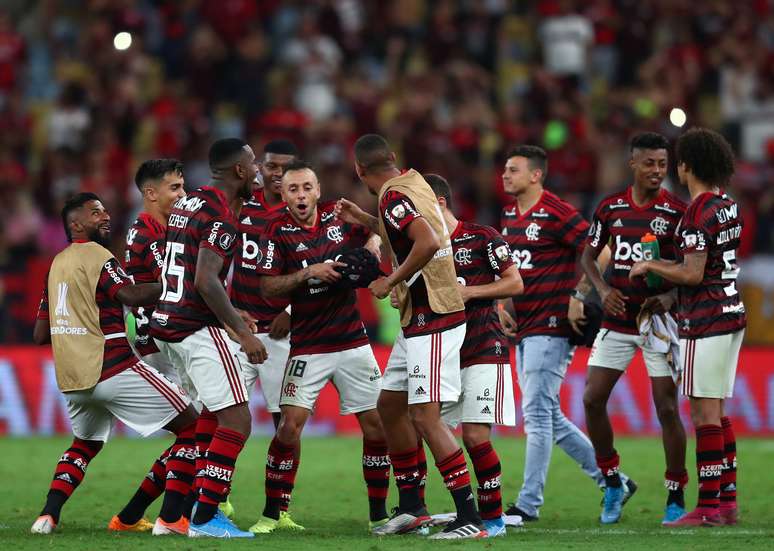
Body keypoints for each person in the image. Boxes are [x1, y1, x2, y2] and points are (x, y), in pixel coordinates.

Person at [337, 134, 486, 539]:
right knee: (390, 406)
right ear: (393, 158)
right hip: (417, 319)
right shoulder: (414, 183)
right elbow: (408, 231)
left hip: (433, 316)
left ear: (359, 170)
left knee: (425, 416)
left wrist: (390, 279)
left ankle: (468, 517)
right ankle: (412, 507)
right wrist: (365, 221)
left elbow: (428, 240)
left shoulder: (391, 196)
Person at [30, 193, 198, 536]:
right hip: (112, 365)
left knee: (85, 444)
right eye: (95, 213)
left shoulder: (56, 265)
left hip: (73, 378)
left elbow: (39, 334)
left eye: (105, 209)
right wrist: (177, 285)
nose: (105, 216)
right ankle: (163, 519)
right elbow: (131, 296)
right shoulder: (99, 257)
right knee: (194, 429)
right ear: (76, 224)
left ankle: (47, 516)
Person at [248, 160, 388, 534]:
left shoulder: (338, 219)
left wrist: (372, 242)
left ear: (318, 189)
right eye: (293, 189)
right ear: (283, 193)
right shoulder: (275, 230)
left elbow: (385, 233)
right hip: (309, 347)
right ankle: (272, 513)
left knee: (376, 428)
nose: (301, 195)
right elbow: (267, 287)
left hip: (353, 342)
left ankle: (379, 515)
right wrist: (309, 272)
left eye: (307, 187)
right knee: (288, 428)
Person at [498, 145, 634, 522]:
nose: (505, 175)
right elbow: (517, 270)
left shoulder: (556, 212)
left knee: (538, 417)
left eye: (513, 170)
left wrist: (580, 294)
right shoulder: (510, 214)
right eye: (505, 170)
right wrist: (502, 305)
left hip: (553, 326)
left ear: (536, 175)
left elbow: (601, 250)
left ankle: (528, 504)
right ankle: (614, 481)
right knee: (549, 415)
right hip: (526, 327)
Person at [151, 138, 268, 538]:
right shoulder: (222, 213)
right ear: (238, 170)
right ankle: (205, 517)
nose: (257, 172)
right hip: (193, 327)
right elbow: (204, 279)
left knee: (209, 415)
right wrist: (240, 332)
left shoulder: (192, 200)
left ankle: (174, 516)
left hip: (166, 323)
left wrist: (236, 313)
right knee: (237, 418)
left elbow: (185, 266)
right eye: (253, 165)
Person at [631, 127, 745, 527]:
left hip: (708, 319)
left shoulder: (697, 211)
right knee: (717, 408)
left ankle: (708, 507)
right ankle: (726, 501)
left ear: (686, 165)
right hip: (732, 314)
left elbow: (693, 273)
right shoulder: (726, 204)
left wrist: (651, 265)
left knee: (703, 414)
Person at [579, 133, 688, 524]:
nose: (657, 171)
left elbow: (691, 270)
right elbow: (589, 256)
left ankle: (675, 493)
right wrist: (603, 289)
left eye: (662, 164)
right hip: (617, 319)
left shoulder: (678, 211)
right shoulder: (610, 207)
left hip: (657, 322)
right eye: (650, 164)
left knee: (666, 408)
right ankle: (612, 481)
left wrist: (672, 298)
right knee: (592, 399)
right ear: (633, 164)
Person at [426, 174, 524, 537]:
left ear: (438, 202)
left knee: (476, 438)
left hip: (484, 347)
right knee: (425, 424)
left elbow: (515, 283)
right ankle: (446, 511)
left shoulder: (482, 236)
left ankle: (493, 518)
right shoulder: (425, 248)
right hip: (444, 353)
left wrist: (473, 294)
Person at [111, 159, 191, 534]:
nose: (182, 194)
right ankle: (174, 515)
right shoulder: (147, 233)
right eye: (174, 188)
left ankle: (131, 516)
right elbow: (176, 283)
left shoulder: (164, 229)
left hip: (165, 336)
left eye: (182, 186)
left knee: (198, 427)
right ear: (150, 193)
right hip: (162, 340)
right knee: (199, 427)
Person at [224, 140, 299, 522]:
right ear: (262, 168)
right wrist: (229, 311)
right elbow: (215, 259)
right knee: (221, 415)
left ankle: (277, 510)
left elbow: (316, 262)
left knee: (285, 424)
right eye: (271, 166)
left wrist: (290, 308)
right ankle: (217, 498)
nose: (277, 173)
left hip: (281, 335)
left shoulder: (301, 213)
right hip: (239, 332)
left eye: (285, 167)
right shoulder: (240, 206)